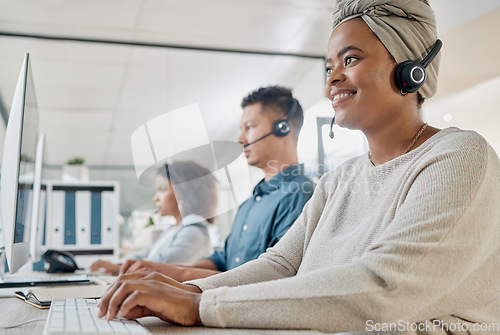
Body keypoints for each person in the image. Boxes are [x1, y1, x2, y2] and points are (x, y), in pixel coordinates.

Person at [98, 1, 500, 333]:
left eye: (351, 58)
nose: (332, 78)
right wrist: (187, 293)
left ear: (412, 69)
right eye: (329, 66)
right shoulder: (339, 180)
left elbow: (385, 288)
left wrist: (200, 304)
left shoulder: (459, 156)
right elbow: (281, 265)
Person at [116, 85, 315, 281]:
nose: (240, 139)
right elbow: (223, 260)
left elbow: (275, 276)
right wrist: (167, 268)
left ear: (283, 128)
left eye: (250, 127)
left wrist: (180, 273)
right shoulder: (249, 204)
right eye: (241, 129)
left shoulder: (299, 195)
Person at [90, 161, 217, 275]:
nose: (155, 198)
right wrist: (117, 265)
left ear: (184, 191)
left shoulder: (195, 230)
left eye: (162, 189)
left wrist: (120, 268)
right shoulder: (172, 229)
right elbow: (144, 255)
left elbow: (165, 263)